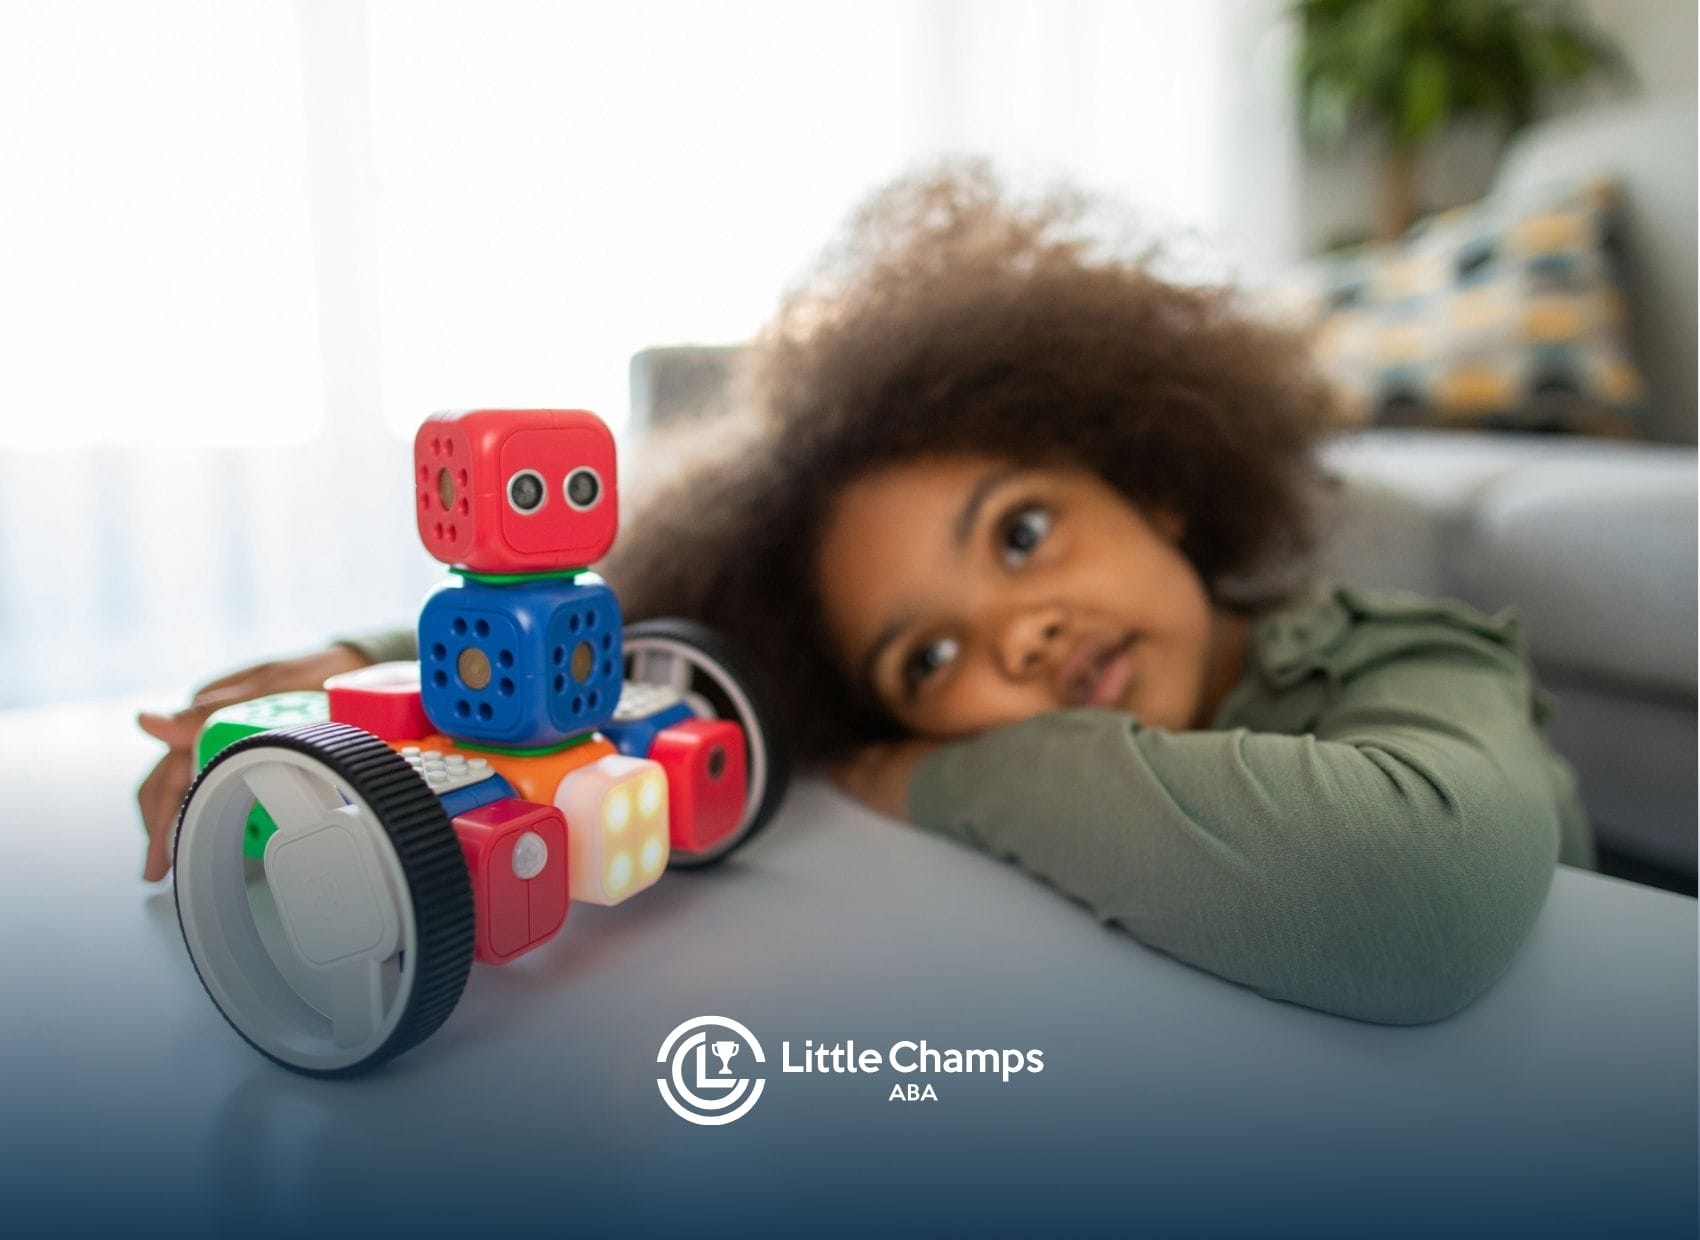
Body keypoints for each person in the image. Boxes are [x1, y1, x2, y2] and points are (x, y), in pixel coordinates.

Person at [137, 162, 1593, 1025]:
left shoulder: (1403, 654)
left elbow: (1418, 895)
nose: (1015, 634)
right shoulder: (798, 687)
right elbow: (602, 643)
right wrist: (357, 670)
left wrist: (949, 773)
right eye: (926, 657)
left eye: (1022, 531)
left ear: (1153, 476)